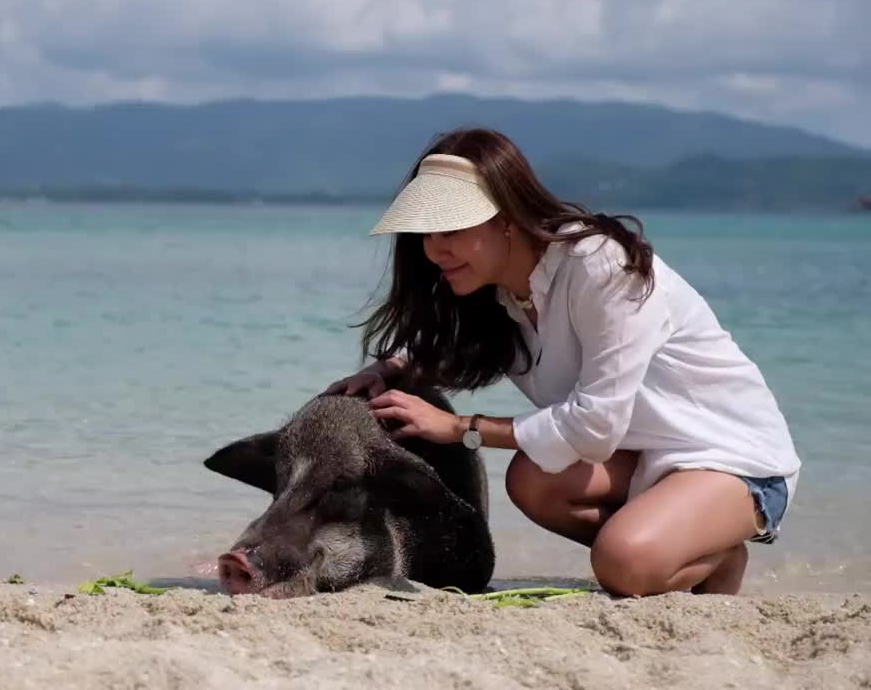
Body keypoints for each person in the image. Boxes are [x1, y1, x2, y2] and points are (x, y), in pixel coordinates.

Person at [324, 127, 800, 597]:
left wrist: (460, 428)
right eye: (427, 233)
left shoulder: (599, 265)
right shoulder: (500, 294)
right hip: (648, 453)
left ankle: (702, 551)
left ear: (506, 218)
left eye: (452, 229)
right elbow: (452, 349)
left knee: (622, 564)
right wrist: (386, 370)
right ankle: (678, 545)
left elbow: (595, 426)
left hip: (735, 457)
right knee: (534, 481)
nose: (435, 249)